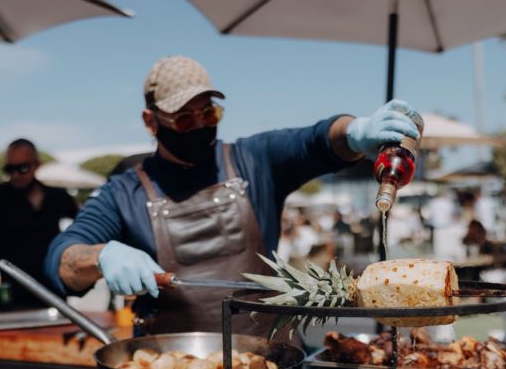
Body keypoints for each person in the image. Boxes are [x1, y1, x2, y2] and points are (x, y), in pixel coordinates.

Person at [43, 55, 420, 335]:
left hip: (269, 364)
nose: (199, 126)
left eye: (208, 114)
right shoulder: (122, 192)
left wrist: (355, 131)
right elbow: (60, 259)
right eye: (184, 118)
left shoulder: (253, 160)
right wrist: (101, 256)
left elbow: (316, 140)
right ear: (150, 121)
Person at [0, 139, 78, 309]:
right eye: (9, 169)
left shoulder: (58, 197)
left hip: (54, 297)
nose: (15, 175)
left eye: (22, 168)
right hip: (11, 298)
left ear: (37, 165)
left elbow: (85, 235)